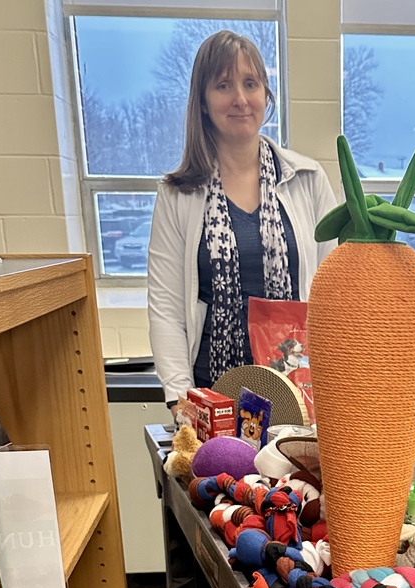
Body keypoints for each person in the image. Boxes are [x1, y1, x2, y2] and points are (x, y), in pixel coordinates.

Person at [148, 30, 337, 407]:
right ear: (203, 101)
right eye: (223, 85)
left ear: (266, 95)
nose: (239, 99)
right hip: (213, 395)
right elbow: (166, 307)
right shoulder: (178, 194)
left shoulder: (308, 180)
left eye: (250, 84)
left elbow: (333, 293)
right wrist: (180, 399)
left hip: (297, 393)